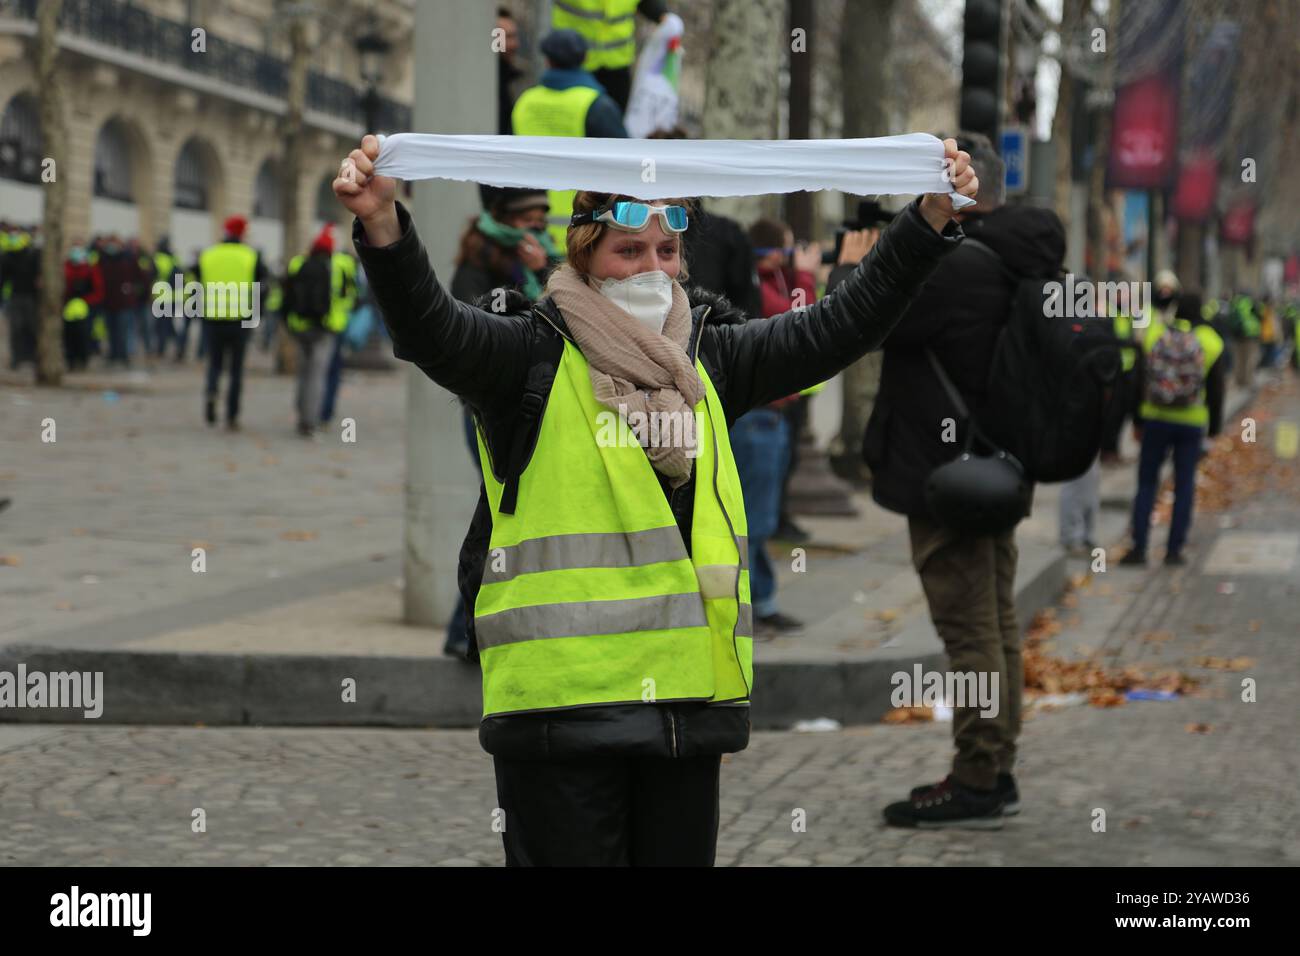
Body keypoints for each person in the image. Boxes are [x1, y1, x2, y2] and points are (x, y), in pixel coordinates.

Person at [335, 132, 975, 866]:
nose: (651, 270)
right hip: (560, 715)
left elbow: (838, 328)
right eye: (628, 252)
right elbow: (431, 329)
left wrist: (925, 223)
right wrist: (383, 226)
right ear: (584, 255)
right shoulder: (528, 355)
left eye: (665, 254)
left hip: (683, 712)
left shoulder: (708, 357)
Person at [863, 133, 1061, 830]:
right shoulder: (1004, 259)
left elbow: (857, 312)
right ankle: (995, 765)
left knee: (970, 630)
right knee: (996, 623)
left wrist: (864, 254)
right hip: (991, 470)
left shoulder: (953, 267)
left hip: (947, 478)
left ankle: (978, 775)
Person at [730, 218, 817, 637]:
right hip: (757, 417)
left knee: (760, 517)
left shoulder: (774, 280)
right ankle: (749, 607)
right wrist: (803, 274)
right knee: (754, 519)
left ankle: (760, 602)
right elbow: (803, 320)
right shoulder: (755, 288)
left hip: (774, 414)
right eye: (783, 247)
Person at [1120, 291, 1225, 568]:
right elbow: (1216, 389)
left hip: (1156, 419)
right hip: (1191, 422)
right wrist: (1214, 427)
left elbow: (1140, 380)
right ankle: (1174, 550)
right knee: (1184, 485)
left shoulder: (1156, 335)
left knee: (1146, 483)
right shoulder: (1210, 342)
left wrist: (1137, 420)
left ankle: (1138, 547)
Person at [511, 29, 628, 254]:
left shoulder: (525, 102)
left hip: (532, 232)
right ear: (584, 59)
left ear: (546, 60)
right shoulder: (597, 105)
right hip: (586, 230)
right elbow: (625, 169)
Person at [198, 215, 266, 430]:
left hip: (212, 317)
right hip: (240, 320)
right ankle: (232, 415)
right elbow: (261, 287)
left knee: (214, 364)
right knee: (236, 370)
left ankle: (211, 392)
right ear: (242, 233)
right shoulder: (250, 256)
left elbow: (196, 283)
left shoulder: (208, 254)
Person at [550, 0, 670, 115]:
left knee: (614, 123)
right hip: (573, 65)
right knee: (573, 121)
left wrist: (665, 18)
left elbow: (647, 4)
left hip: (617, 63)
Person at [284, 225, 346, 438]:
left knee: (303, 373)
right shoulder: (338, 265)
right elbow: (348, 296)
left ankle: (301, 414)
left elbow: (286, 294)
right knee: (318, 376)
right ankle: (312, 421)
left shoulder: (297, 263)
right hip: (325, 328)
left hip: (300, 326)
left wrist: (288, 323)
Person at [1, 227, 39, 370]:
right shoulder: (8, 256)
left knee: (31, 328)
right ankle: (17, 358)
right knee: (16, 328)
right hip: (15, 296)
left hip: (30, 297)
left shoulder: (33, 253)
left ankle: (32, 356)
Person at [62, 242, 104, 371]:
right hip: (68, 309)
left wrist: (86, 301)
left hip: (86, 309)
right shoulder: (66, 267)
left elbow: (98, 290)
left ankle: (83, 360)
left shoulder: (90, 269)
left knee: (84, 337)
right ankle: (71, 361)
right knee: (69, 337)